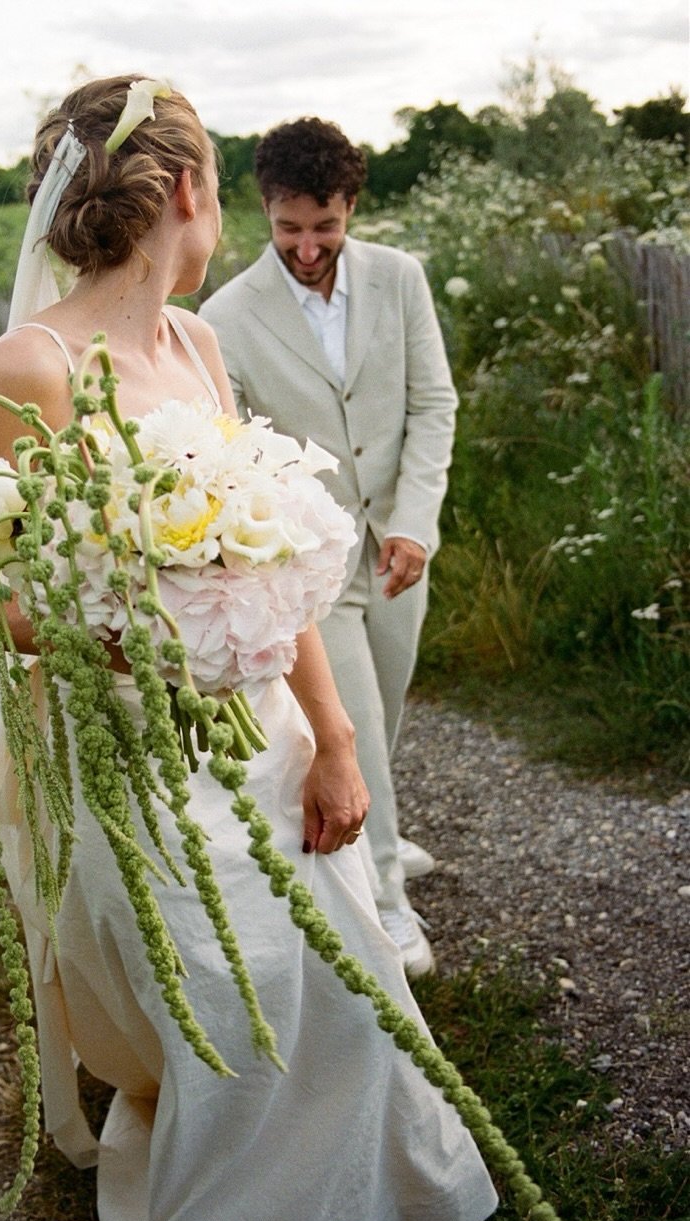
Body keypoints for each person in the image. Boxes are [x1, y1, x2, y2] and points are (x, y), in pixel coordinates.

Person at [0, 75, 495, 1221]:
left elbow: (268, 565)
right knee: (226, 1007)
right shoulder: (31, 366)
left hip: (265, 730)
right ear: (186, 191)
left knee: (343, 986)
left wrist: (337, 741)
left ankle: (366, 1203)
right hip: (131, 752)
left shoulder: (200, 348)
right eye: (225, 186)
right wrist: (110, 634)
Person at [200, 117, 457, 977]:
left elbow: (434, 406)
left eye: (326, 227)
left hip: (398, 543)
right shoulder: (225, 315)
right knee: (349, 727)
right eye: (288, 229)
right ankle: (387, 906)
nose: (308, 248)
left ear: (350, 207)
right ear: (265, 212)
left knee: (387, 700)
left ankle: (381, 831)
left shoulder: (401, 279)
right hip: (311, 568)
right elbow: (231, 454)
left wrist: (416, 520)